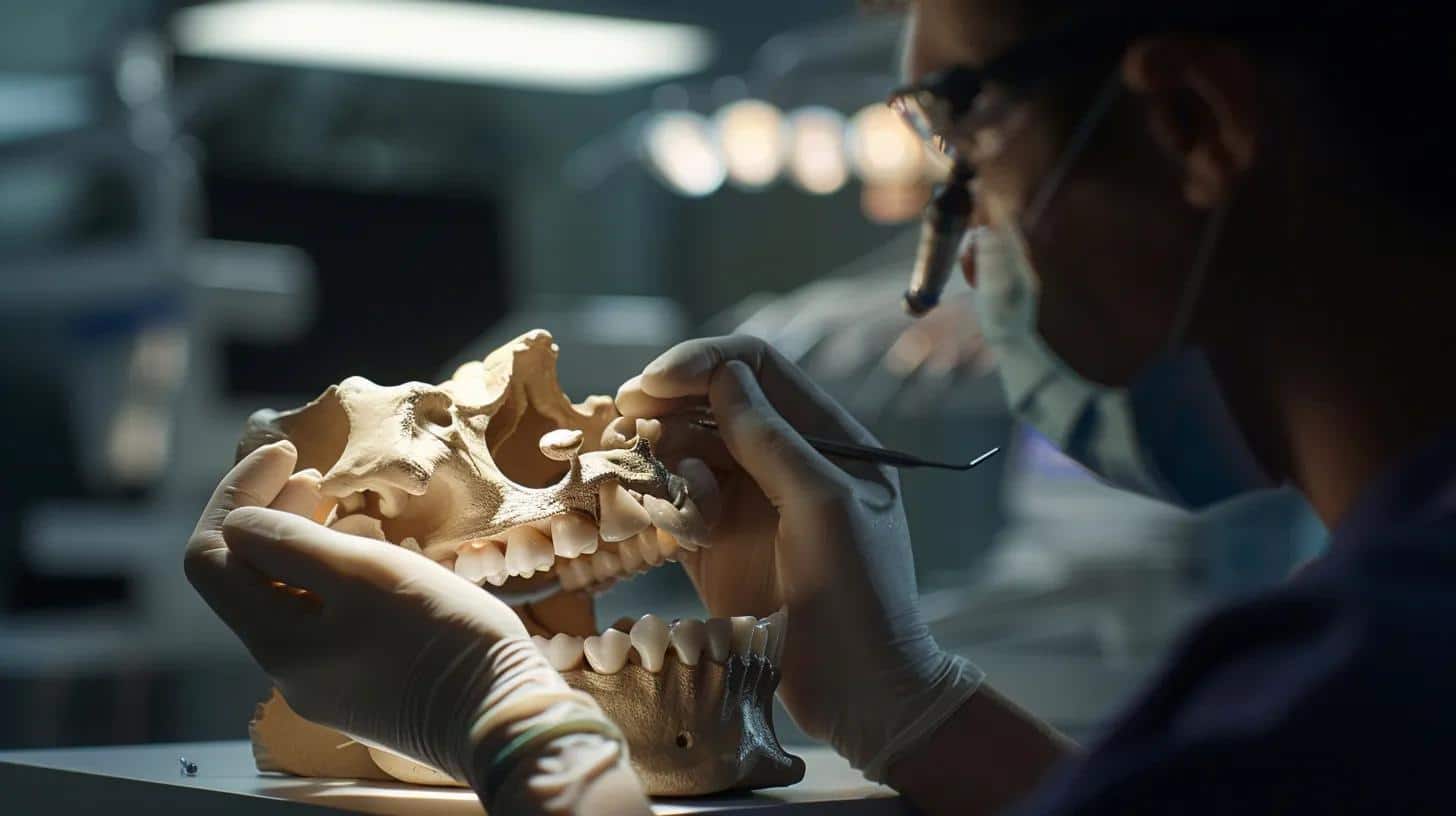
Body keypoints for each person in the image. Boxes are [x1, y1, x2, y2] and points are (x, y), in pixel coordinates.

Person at [186, 0, 1456, 812]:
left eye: (965, 168)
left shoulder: (1360, 691)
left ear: (1194, 128)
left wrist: (509, 721)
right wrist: (915, 708)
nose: (961, 261)